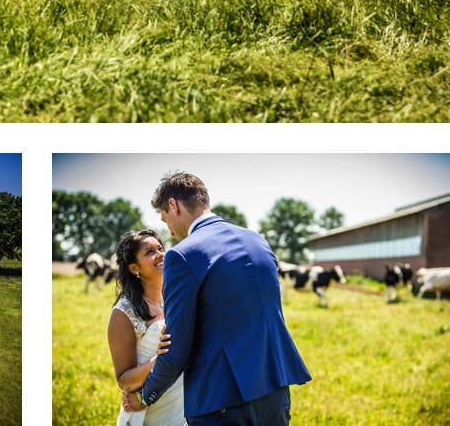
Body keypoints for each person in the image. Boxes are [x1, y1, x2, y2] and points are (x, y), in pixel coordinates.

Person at [126, 172, 311, 425]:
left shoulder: (181, 256)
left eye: (164, 217)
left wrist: (147, 396)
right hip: (274, 393)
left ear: (173, 205)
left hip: (219, 400)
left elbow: (176, 348)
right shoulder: (258, 241)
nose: (168, 228)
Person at [108, 229, 186, 426]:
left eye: (160, 248)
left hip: (184, 406)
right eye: (150, 252)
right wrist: (159, 360)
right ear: (135, 269)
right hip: (149, 412)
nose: (160, 254)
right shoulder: (124, 312)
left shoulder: (176, 298)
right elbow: (124, 381)